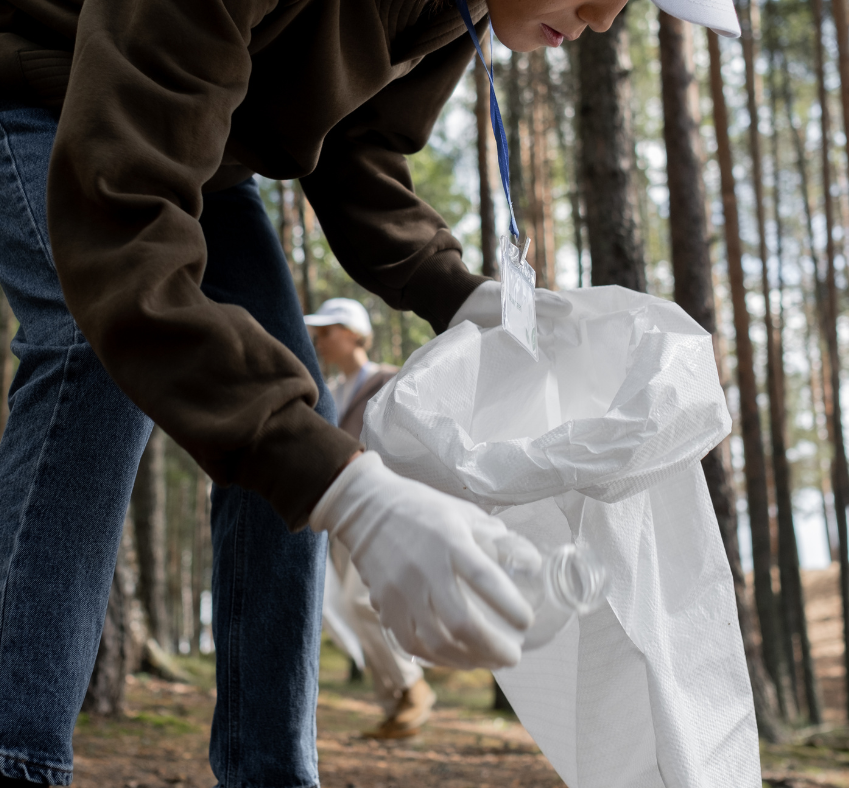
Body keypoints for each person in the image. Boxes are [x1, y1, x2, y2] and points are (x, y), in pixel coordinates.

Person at [0, 0, 739, 785]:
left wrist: (459, 294)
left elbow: (355, 139)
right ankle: (18, 754)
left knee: (296, 417)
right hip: (50, 92)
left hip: (205, 149)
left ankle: (271, 772)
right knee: (95, 352)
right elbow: (119, 212)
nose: (599, 17)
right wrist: (358, 498)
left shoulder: (468, 6)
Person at [306, 298, 436, 740]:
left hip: (379, 505)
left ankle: (412, 688)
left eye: (328, 331)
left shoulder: (387, 380)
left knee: (365, 601)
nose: (320, 340)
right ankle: (397, 708)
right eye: (319, 333)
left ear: (354, 332)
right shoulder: (328, 393)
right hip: (340, 512)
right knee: (349, 606)